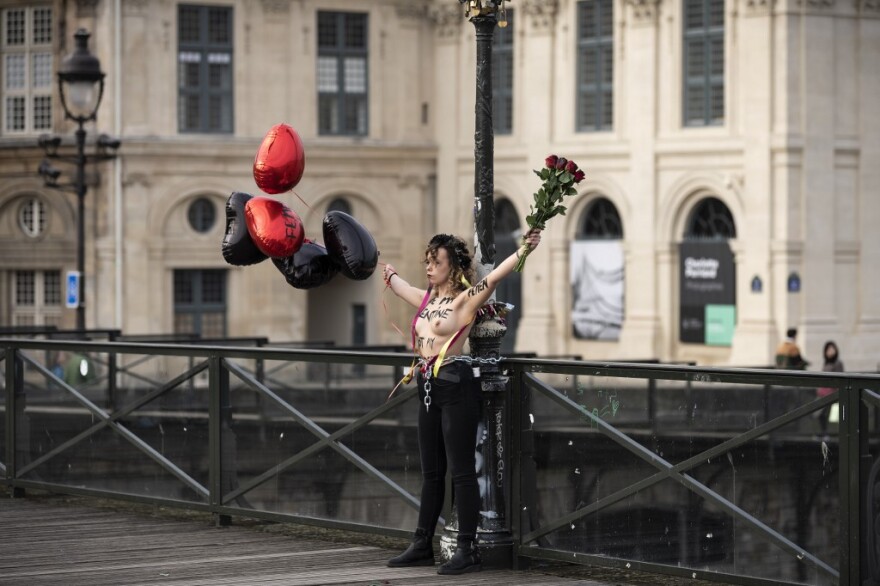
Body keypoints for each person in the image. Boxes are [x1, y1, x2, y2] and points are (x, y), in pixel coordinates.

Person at [381, 229, 541, 575]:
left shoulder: (465, 300)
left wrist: (524, 248)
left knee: (463, 472)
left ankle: (467, 548)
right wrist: (388, 272)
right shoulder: (426, 300)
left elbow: (498, 274)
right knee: (432, 472)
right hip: (427, 385)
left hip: (456, 385)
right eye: (427, 261)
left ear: (452, 266)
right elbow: (401, 287)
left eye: (435, 262)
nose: (428, 267)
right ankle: (422, 543)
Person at [816, 340, 844, 433]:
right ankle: (824, 433)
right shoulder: (826, 362)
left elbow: (840, 378)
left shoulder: (838, 363)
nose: (830, 351)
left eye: (832, 349)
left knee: (833, 417)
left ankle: (830, 435)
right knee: (820, 414)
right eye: (828, 350)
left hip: (833, 394)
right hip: (823, 394)